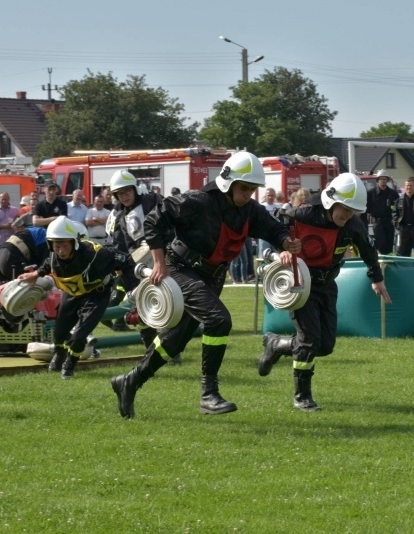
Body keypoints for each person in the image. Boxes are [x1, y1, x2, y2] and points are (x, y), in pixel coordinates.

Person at [110, 152, 301, 419]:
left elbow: (273, 228)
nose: (248, 194)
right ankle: (209, 394)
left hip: (211, 276)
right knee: (218, 320)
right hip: (181, 268)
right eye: (244, 188)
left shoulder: (250, 209)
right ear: (228, 183)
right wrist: (159, 263)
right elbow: (154, 221)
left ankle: (129, 381)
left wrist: (286, 243)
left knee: (174, 342)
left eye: (252, 189)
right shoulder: (197, 201)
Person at [258, 173, 391, 410]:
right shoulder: (300, 214)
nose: (347, 215)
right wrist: (282, 248)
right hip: (301, 284)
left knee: (325, 346)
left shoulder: (353, 224)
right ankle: (302, 397)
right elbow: (274, 229)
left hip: (328, 285)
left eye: (352, 211)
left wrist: (376, 278)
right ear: (331, 202)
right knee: (309, 340)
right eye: (344, 209)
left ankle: (277, 344)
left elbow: (368, 250)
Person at [18, 216, 135, 379]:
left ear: (74, 243)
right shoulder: (53, 255)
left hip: (97, 294)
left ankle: (70, 363)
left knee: (80, 334)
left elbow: (126, 260)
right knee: (59, 332)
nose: (60, 251)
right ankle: (59, 354)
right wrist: (36, 274)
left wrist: (132, 291)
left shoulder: (96, 255)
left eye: (64, 246)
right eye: (57, 246)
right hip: (72, 293)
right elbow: (48, 264)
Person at [107, 170, 164, 344]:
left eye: (127, 191)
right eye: (120, 194)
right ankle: (150, 344)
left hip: (167, 255)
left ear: (135, 189)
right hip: (144, 264)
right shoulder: (122, 218)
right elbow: (129, 246)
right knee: (142, 307)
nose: (125, 196)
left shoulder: (152, 200)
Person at [0, 192, 20, 288]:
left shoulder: (15, 210)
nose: (4, 201)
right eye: (2, 199)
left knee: (11, 261)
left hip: (12, 241)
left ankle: (10, 282)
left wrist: (15, 224)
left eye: (6, 199)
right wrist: (4, 226)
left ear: (9, 199)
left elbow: (20, 222)